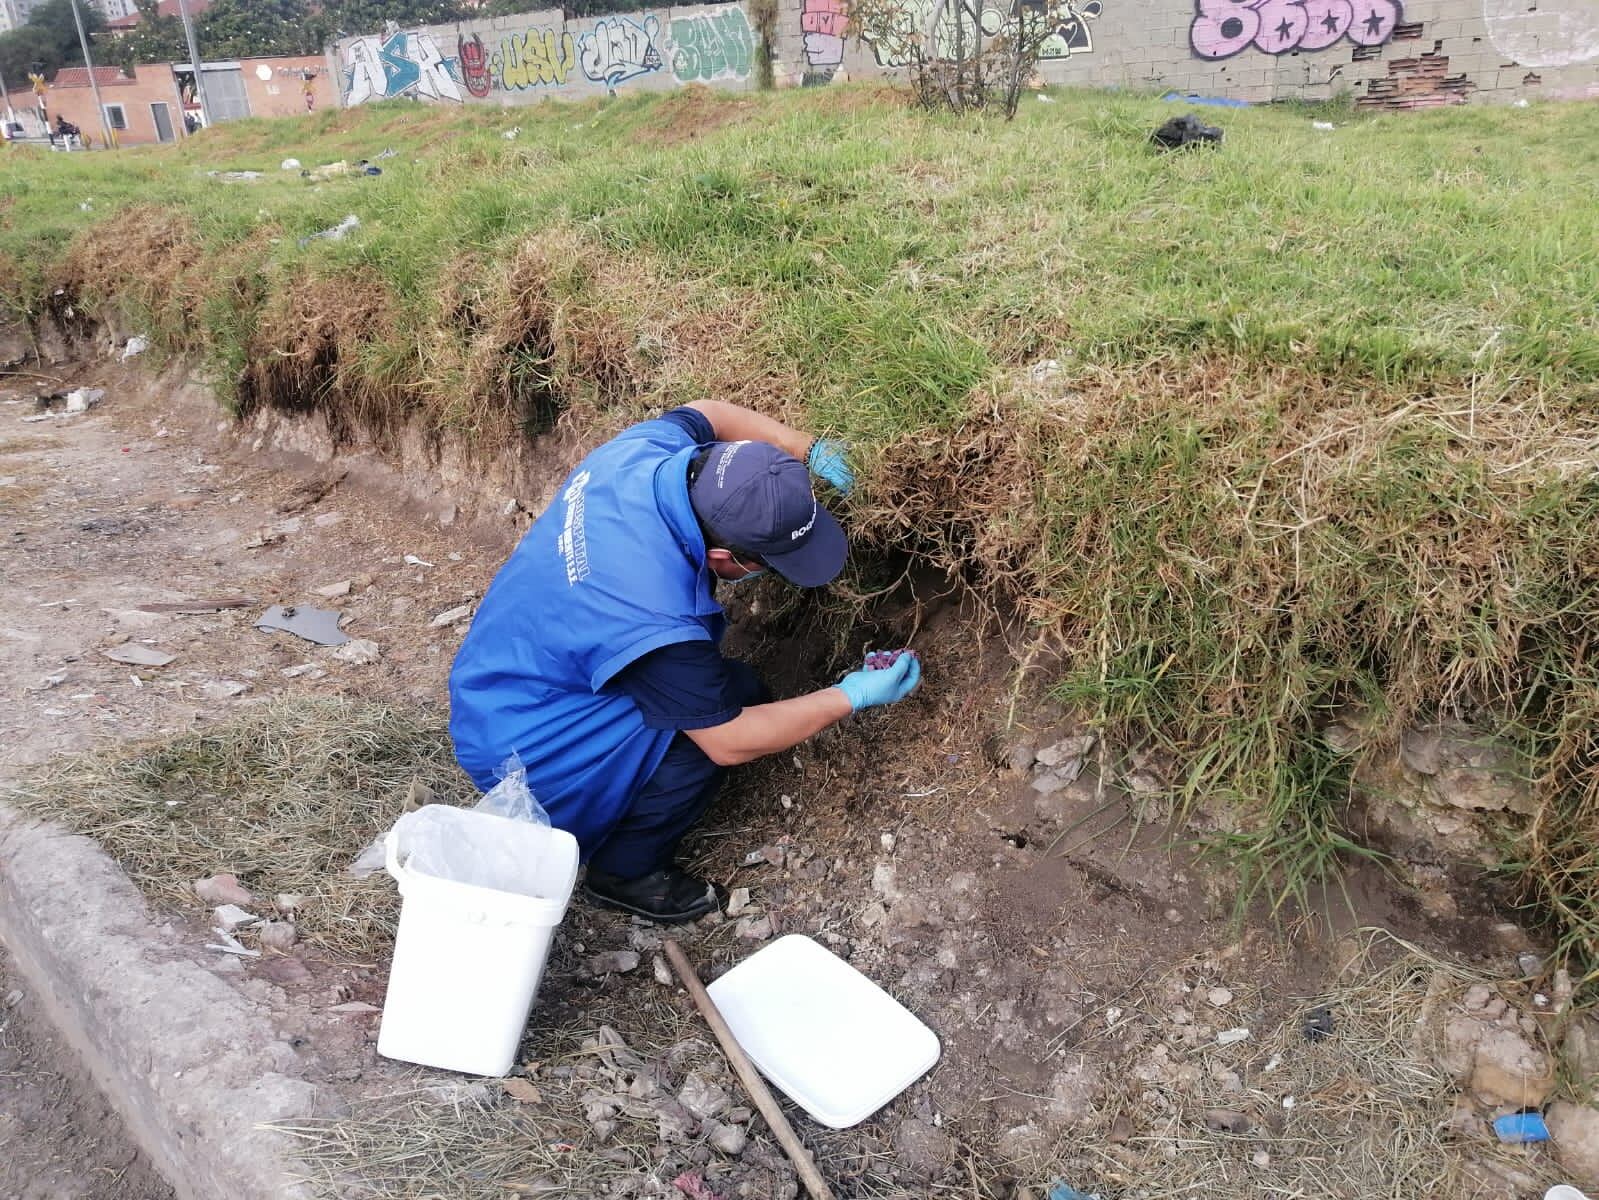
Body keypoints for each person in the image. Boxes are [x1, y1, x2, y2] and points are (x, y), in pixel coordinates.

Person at [449, 401, 924, 923]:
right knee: (714, 722)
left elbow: (707, 412)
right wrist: (849, 696)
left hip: (500, 676)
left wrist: (805, 447)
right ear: (726, 561)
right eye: (773, 563)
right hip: (520, 751)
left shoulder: (646, 455)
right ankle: (624, 872)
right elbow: (728, 742)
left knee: (731, 687)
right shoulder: (651, 618)